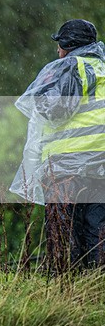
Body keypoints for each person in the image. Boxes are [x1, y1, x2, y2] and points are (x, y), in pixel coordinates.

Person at [11, 19, 105, 268]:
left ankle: (65, 293)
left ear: (67, 45)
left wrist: (40, 97)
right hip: (101, 169)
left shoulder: (69, 67)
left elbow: (55, 110)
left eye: (59, 44)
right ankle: (94, 290)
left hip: (67, 165)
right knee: (98, 234)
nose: (57, 50)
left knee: (63, 235)